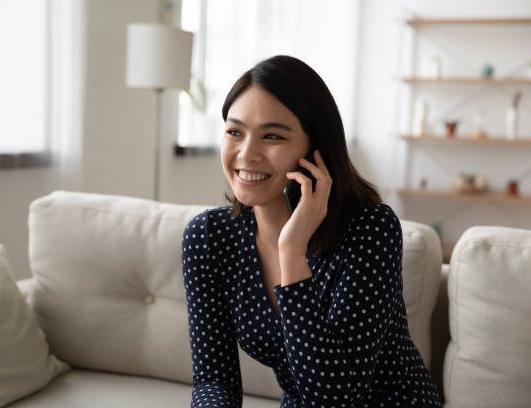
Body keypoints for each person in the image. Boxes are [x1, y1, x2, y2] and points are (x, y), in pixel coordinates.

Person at [181, 55, 442, 407]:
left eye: (272, 136)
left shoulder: (371, 230)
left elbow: (335, 399)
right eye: (234, 131)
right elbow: (214, 380)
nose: (247, 153)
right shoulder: (210, 237)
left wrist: (291, 251)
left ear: (314, 149)